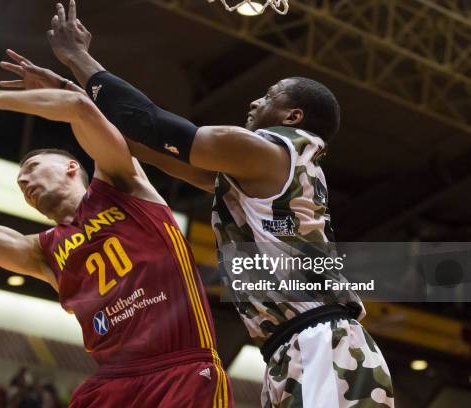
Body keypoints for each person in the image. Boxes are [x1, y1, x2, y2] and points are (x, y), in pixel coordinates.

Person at [38, 2, 395, 407]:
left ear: (293, 116)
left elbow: (150, 123)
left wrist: (77, 57)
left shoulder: (267, 154)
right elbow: (142, 149)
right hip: (289, 349)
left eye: (269, 96)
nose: (254, 102)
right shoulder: (262, 173)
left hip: (324, 345)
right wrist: (73, 99)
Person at [0, 54, 231, 407]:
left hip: (180, 369)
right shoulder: (44, 251)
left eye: (33, 167)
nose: (24, 180)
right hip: (110, 384)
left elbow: (78, 107)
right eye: (20, 179)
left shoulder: (122, 185)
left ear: (72, 167)